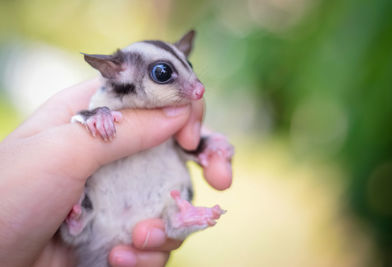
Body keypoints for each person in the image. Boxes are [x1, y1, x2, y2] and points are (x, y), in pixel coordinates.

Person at [0, 79, 232, 267]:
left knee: (172, 200)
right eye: (163, 73)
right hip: (98, 223)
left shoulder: (175, 116)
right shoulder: (106, 97)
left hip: (142, 210)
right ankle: (78, 221)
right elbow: (81, 117)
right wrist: (98, 117)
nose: (197, 88)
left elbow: (189, 144)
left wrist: (208, 147)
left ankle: (177, 218)